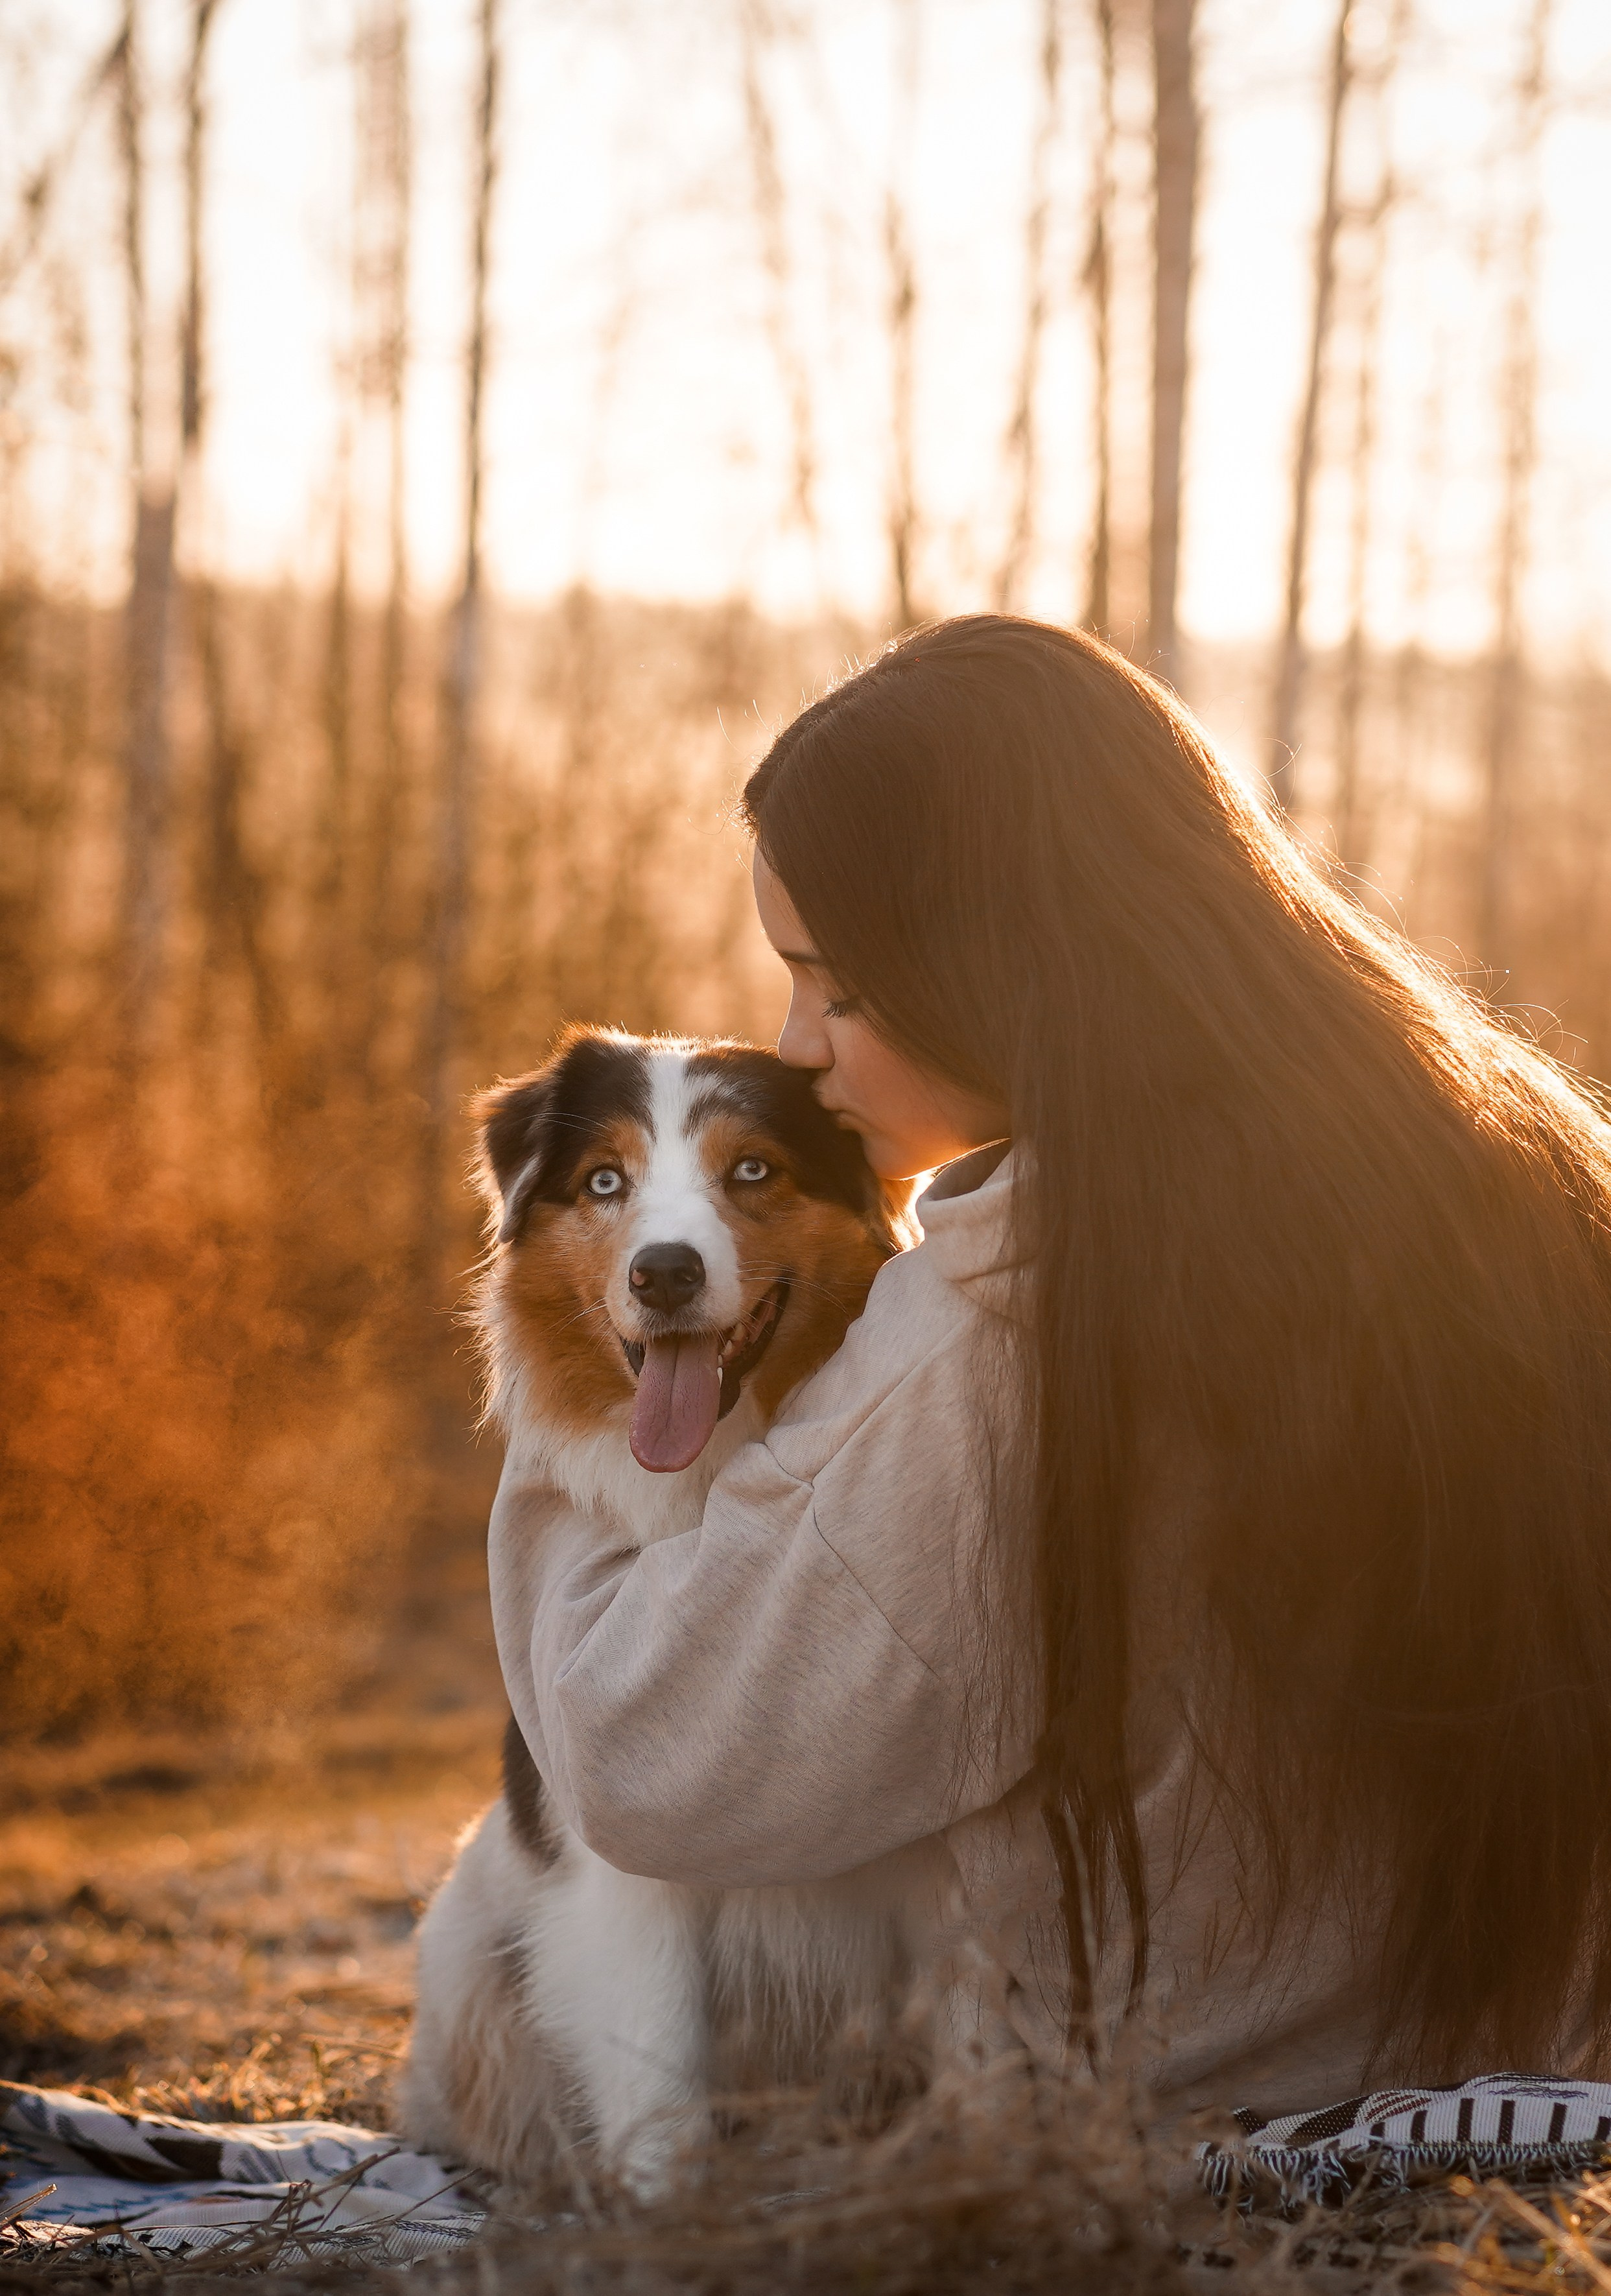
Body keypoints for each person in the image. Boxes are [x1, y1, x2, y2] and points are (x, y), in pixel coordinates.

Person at [491, 613, 1611, 2114]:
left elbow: (647, 1759)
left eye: (837, 987)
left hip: (1174, 2154)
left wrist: (560, 1436)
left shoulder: (1022, 1330)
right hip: (1529, 2114)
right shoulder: (1527, 1189)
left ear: (1004, 963)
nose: (797, 1045)